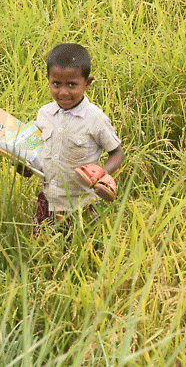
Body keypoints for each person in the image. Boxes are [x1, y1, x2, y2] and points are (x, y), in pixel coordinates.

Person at [28, 43, 125, 237]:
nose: (63, 92)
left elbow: (117, 152)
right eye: (56, 84)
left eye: (72, 85)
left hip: (80, 204)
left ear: (87, 83)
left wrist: (102, 175)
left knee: (83, 251)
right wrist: (22, 163)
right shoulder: (44, 114)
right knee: (41, 249)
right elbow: (35, 151)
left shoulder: (95, 119)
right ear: (48, 80)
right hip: (48, 199)